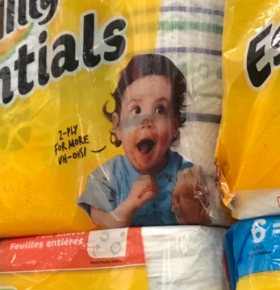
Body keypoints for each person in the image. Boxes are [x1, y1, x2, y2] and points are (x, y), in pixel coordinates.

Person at [78, 54, 210, 227]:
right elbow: (104, 224)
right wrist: (131, 204)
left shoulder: (184, 173)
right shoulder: (106, 177)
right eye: (136, 109)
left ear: (174, 126)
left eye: (160, 110)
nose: (146, 121)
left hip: (171, 251)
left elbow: (197, 229)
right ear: (118, 126)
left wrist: (189, 201)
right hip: (124, 253)